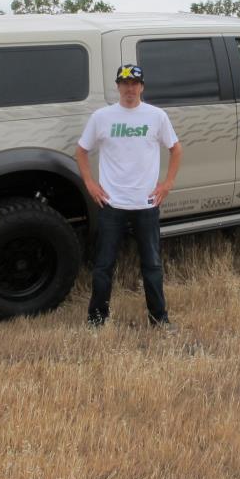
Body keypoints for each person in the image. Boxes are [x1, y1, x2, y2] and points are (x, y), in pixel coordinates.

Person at [75, 64, 183, 328]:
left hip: (146, 203)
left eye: (134, 83)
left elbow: (176, 149)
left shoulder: (156, 116)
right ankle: (96, 320)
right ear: (117, 87)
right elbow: (81, 150)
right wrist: (90, 183)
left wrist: (167, 183)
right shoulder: (102, 117)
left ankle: (159, 319)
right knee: (103, 266)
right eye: (124, 83)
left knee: (153, 266)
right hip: (112, 203)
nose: (129, 88)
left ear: (142, 87)